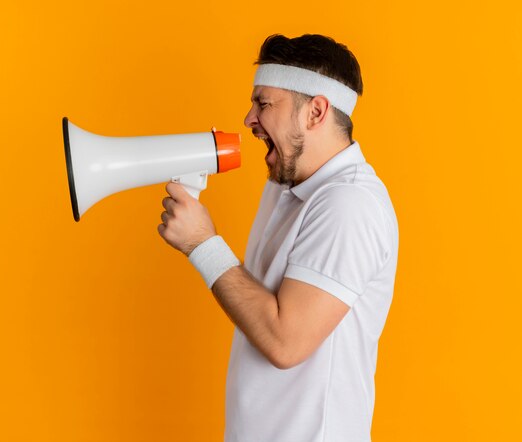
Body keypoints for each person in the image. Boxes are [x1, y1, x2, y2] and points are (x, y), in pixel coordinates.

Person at [157, 33, 399, 442]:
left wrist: (202, 244)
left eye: (263, 103)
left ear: (316, 112)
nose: (249, 119)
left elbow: (285, 342)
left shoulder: (348, 204)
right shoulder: (287, 186)